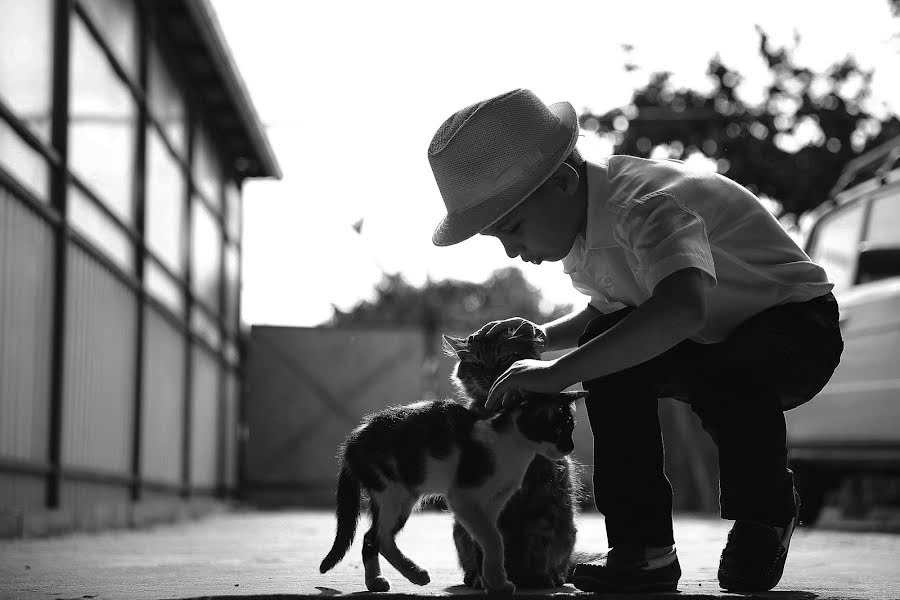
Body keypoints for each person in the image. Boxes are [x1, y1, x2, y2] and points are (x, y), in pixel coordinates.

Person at [426, 88, 843, 593]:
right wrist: (543, 339)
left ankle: (765, 516)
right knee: (610, 350)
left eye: (513, 228)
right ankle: (643, 549)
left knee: (725, 377)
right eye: (500, 240)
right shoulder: (584, 235)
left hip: (795, 326)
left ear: (561, 182)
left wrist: (560, 372)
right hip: (713, 336)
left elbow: (682, 306)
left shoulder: (640, 205)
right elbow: (615, 310)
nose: (513, 251)